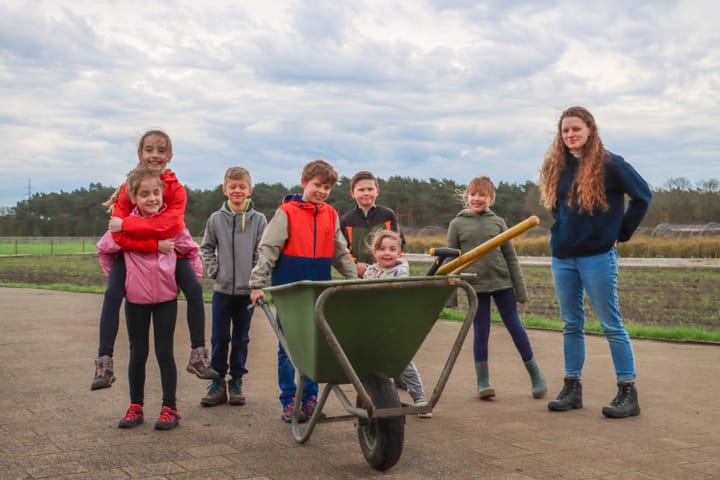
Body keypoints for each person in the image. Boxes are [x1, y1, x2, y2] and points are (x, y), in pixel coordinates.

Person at [539, 106, 652, 418]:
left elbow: (643, 197)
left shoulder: (611, 164)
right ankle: (572, 387)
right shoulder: (557, 166)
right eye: (565, 131)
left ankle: (627, 391)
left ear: (590, 129)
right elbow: (559, 208)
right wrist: (561, 231)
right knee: (571, 324)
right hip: (563, 257)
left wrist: (621, 233)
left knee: (610, 324)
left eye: (576, 129)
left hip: (597, 256)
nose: (571, 135)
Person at [91, 129, 216, 391]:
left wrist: (131, 225)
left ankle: (198, 354)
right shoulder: (129, 187)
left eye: (161, 150)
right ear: (141, 153)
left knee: (194, 289)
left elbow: (170, 226)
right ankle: (104, 359)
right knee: (112, 293)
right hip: (134, 252)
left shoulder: (176, 189)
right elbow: (118, 236)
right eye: (149, 150)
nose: (155, 155)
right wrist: (153, 242)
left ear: (169, 155)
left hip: (171, 249)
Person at [249, 159, 358, 422]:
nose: (321, 191)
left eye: (327, 188)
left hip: (318, 290)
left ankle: (309, 399)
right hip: (291, 291)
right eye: (317, 185)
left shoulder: (330, 214)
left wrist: (354, 279)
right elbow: (269, 249)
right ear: (304, 182)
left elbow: (340, 251)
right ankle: (289, 400)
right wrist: (257, 285)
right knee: (289, 347)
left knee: (314, 346)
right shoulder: (286, 212)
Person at [97, 167, 202, 430]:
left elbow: (191, 251)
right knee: (138, 354)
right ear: (133, 197)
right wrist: (122, 281)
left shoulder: (171, 224)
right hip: (136, 302)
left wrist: (191, 280)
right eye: (145, 194)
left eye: (156, 192)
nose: (152, 198)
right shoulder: (123, 227)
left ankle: (170, 408)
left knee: (164, 353)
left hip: (166, 299)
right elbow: (105, 250)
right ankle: (136, 407)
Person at [447, 176, 547, 400]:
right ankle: (483, 382)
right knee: (481, 333)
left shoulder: (498, 222)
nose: (476, 199)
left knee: (515, 327)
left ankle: (536, 375)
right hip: (476, 287)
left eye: (482, 195)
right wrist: (450, 296)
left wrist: (521, 292)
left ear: (491, 198)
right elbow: (450, 260)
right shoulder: (457, 224)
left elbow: (511, 258)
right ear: (467, 196)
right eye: (472, 194)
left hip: (502, 285)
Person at [199, 167, 267, 407]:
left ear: (250, 190)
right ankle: (217, 382)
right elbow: (206, 248)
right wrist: (215, 270)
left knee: (241, 339)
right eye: (233, 186)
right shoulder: (215, 219)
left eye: (242, 187)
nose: (237, 190)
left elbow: (263, 252)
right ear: (225, 190)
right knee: (219, 337)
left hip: (247, 293)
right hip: (222, 291)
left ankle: (236, 381)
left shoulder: (259, 220)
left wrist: (255, 280)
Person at [362, 229, 432, 418]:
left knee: (403, 362)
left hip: (394, 325)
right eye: (382, 249)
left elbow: (396, 288)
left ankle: (419, 398)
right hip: (375, 324)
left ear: (399, 253)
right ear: (374, 252)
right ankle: (384, 397)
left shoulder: (400, 271)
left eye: (392, 249)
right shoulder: (370, 271)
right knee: (375, 363)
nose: (387, 253)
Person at [340, 171, 404, 278]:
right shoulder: (346, 220)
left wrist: (392, 264)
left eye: (370, 189)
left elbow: (400, 243)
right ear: (352, 193)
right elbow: (342, 251)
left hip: (387, 275)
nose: (366, 193)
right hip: (358, 277)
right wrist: (355, 265)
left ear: (377, 191)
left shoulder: (388, 215)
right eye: (361, 190)